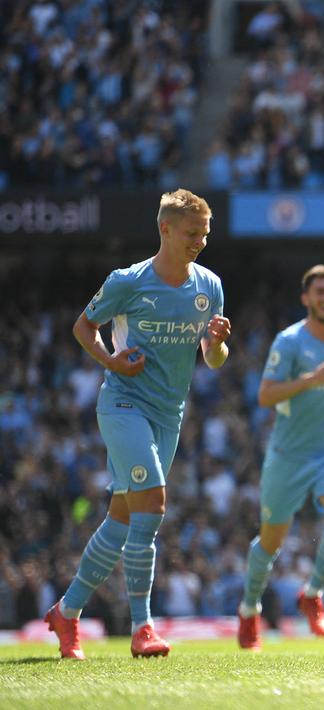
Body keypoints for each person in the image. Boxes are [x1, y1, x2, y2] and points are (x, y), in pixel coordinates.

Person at [46, 189, 230, 659]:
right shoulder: (128, 281)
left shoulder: (209, 286)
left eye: (205, 234)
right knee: (154, 501)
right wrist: (111, 361)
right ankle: (142, 626)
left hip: (169, 414)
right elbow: (83, 327)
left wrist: (216, 345)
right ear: (165, 229)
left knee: (122, 519)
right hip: (124, 404)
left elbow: (213, 359)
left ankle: (67, 613)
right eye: (192, 233)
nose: (200, 242)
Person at [237, 265, 324, 651]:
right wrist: (312, 379)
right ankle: (249, 610)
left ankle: (312, 594)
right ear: (306, 298)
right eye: (320, 292)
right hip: (288, 454)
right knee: (271, 539)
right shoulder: (289, 342)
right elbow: (265, 395)